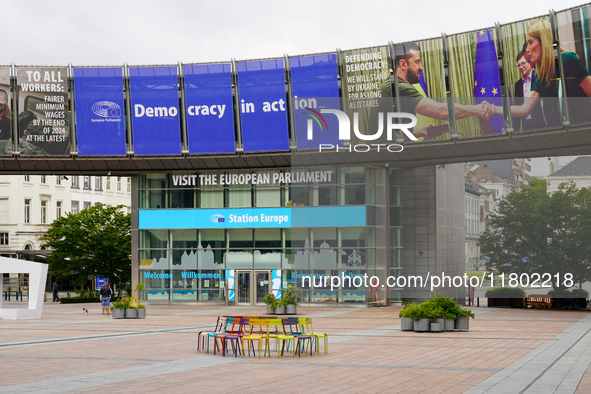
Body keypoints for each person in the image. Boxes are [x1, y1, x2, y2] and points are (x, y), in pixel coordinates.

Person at [493, 20, 591, 126]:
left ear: (544, 42)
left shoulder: (568, 60)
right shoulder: (542, 76)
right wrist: (492, 109)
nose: (527, 49)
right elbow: (524, 109)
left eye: (530, 42)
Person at [392, 43, 493, 138]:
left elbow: (391, 133)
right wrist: (477, 109)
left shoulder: (397, 86)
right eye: (417, 62)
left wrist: (421, 132)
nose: (421, 67)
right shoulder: (400, 87)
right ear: (403, 64)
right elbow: (440, 111)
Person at [513, 48, 540, 130]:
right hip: (526, 125)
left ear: (530, 63)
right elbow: (517, 107)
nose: (521, 67)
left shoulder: (538, 78)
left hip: (539, 122)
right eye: (519, 65)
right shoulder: (517, 85)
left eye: (523, 63)